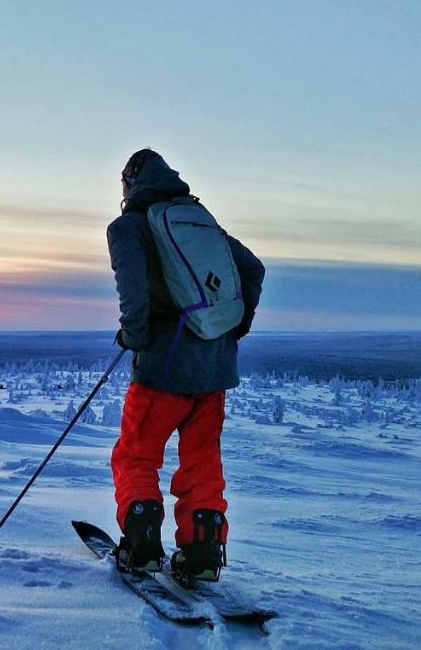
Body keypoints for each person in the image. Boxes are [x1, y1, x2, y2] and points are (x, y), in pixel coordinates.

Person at [106, 148, 265, 584]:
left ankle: (141, 548)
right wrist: (231, 326)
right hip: (214, 372)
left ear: (130, 183)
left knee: (136, 454)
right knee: (202, 464)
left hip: (162, 369)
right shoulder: (202, 225)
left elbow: (133, 294)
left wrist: (135, 336)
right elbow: (253, 268)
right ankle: (202, 552)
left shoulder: (130, 228)